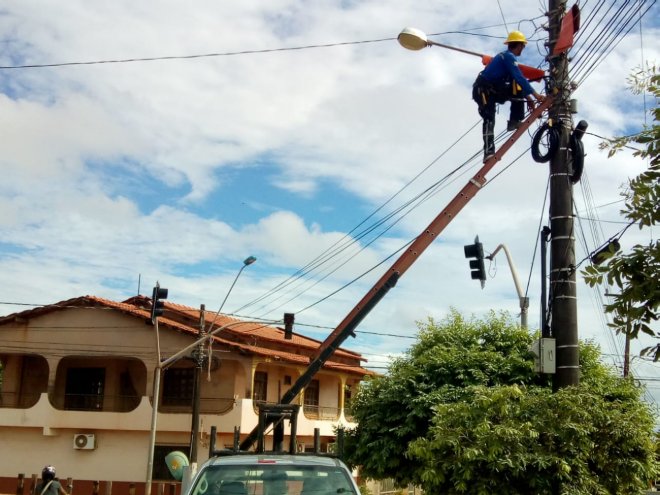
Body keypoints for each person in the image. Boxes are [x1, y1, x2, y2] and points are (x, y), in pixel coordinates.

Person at [472, 30, 545, 162]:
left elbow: (517, 81)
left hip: (493, 91)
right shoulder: (508, 57)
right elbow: (519, 77)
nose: (523, 49)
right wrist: (536, 95)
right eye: (523, 46)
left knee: (515, 86)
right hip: (483, 90)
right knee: (489, 119)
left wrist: (529, 99)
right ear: (519, 45)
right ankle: (488, 152)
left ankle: (514, 121)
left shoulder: (506, 58)